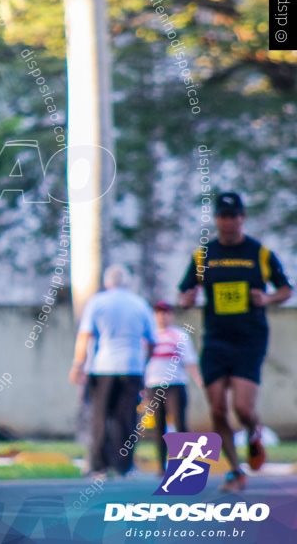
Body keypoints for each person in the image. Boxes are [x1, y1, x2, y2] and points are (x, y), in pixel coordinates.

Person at [178, 191, 292, 492]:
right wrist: (186, 299)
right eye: (223, 216)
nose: (228, 222)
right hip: (215, 340)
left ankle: (253, 433)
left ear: (242, 218)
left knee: (243, 408)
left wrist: (267, 297)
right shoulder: (204, 255)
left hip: (249, 339)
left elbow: (285, 289)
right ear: (216, 219)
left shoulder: (260, 253)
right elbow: (184, 290)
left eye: (234, 216)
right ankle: (236, 470)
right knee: (216, 410)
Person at [69, 265, 156, 477]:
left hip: (102, 367)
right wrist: (143, 364)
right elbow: (152, 340)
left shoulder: (97, 302)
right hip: (132, 367)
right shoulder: (140, 304)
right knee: (126, 418)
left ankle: (99, 465)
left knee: (100, 417)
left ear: (107, 282)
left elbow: (85, 335)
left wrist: (78, 365)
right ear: (126, 282)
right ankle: (124, 466)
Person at [144, 301, 203, 470]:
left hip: (175, 384)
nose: (162, 317)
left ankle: (186, 462)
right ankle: (162, 465)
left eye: (166, 313)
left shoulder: (179, 335)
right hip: (154, 384)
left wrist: (199, 380)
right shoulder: (148, 335)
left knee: (180, 424)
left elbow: (189, 361)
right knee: (158, 426)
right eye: (159, 313)